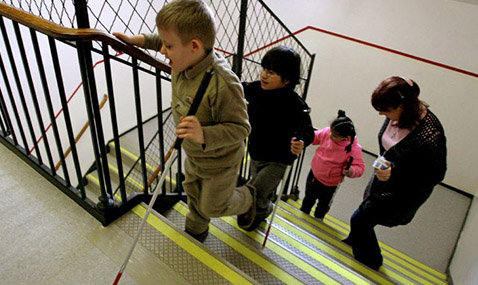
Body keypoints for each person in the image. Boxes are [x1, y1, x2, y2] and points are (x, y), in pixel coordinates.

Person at [113, 0, 255, 243]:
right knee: (193, 193)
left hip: (220, 162)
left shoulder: (223, 84)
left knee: (213, 206)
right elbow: (162, 42)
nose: (163, 51)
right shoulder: (184, 58)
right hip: (193, 153)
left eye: (168, 46)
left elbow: (241, 128)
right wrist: (141, 41)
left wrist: (204, 135)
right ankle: (196, 231)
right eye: (163, 44)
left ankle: (251, 196)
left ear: (194, 46)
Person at [343, 76, 447, 271]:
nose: (382, 114)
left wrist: (395, 172)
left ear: (403, 106)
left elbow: (435, 174)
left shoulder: (430, 135)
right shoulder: (397, 116)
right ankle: (355, 239)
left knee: (360, 218)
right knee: (365, 212)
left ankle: (370, 262)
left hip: (404, 192)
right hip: (383, 178)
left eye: (385, 110)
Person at [240, 46, 315, 231]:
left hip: (279, 160)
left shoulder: (296, 105)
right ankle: (264, 209)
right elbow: (235, 87)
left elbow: (309, 133)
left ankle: (257, 213)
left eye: (271, 72)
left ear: (287, 79)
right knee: (261, 191)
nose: (264, 75)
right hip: (256, 152)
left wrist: (301, 142)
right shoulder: (256, 89)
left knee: (255, 190)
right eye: (264, 69)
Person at [300, 110, 365, 219]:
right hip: (315, 174)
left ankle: (318, 219)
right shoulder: (327, 132)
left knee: (323, 204)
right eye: (331, 132)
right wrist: (306, 137)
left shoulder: (353, 148)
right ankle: (302, 215)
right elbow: (315, 137)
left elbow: (360, 167)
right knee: (308, 198)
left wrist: (350, 171)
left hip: (331, 183)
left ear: (346, 137)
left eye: (335, 136)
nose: (330, 136)